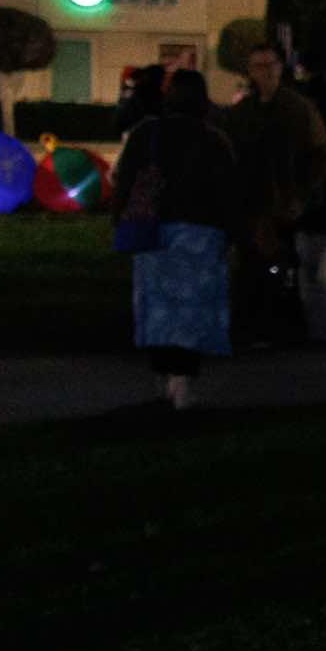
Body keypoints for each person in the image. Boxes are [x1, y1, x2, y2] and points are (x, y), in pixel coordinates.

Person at [111, 69, 239, 408]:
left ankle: (162, 377)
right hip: (201, 234)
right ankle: (183, 381)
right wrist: (231, 233)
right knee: (191, 313)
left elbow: (125, 181)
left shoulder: (146, 134)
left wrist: (119, 220)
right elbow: (228, 191)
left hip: (153, 232)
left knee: (158, 310)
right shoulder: (214, 140)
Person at [223, 43, 326, 340]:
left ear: (280, 68)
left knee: (286, 267)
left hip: (288, 204)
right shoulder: (242, 113)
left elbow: (320, 155)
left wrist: (302, 194)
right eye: (259, 66)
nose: (266, 72)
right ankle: (254, 327)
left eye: (271, 65)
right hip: (252, 206)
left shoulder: (299, 109)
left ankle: (283, 327)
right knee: (252, 268)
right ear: (249, 71)